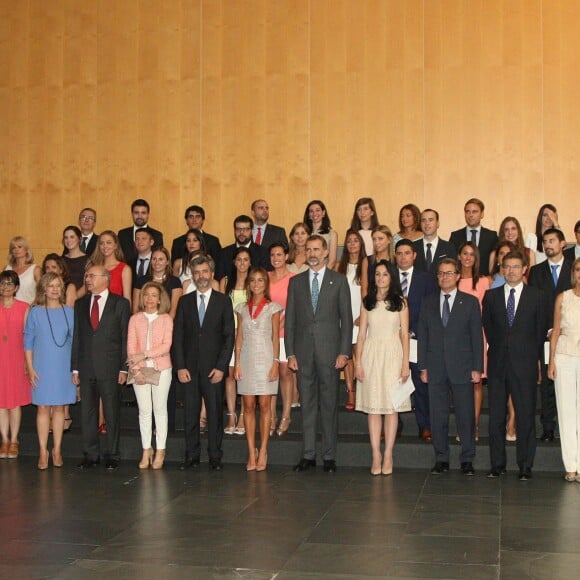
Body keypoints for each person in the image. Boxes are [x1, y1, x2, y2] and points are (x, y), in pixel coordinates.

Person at [285, 235, 353, 473]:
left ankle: (330, 455)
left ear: (326, 252)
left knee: (329, 404)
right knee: (308, 405)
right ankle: (309, 454)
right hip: (302, 354)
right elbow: (290, 321)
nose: (312, 253)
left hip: (330, 354)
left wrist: (345, 352)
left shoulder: (339, 281)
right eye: (309, 249)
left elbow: (347, 320)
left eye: (317, 249)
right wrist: (290, 353)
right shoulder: (296, 282)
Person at [483, 251, 548, 481]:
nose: (510, 270)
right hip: (498, 364)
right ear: (501, 268)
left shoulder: (537, 297)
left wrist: (533, 358)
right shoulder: (490, 297)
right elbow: (489, 330)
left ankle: (524, 465)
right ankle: (497, 464)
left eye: (515, 266)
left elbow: (540, 332)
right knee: (496, 416)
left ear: (524, 269)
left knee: (526, 415)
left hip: (525, 365)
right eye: (506, 266)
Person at [418, 258, 483, 476]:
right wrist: (423, 366)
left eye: (448, 273)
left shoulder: (470, 302)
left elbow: (476, 337)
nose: (444, 277)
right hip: (435, 367)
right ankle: (441, 458)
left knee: (465, 415)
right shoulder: (427, 302)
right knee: (438, 415)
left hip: (463, 367)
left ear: (457, 276)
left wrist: (477, 367)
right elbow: (423, 336)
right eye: (440, 273)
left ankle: (467, 459)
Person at [173, 254, 235, 470]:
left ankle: (215, 457)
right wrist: (180, 366)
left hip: (213, 370)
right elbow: (178, 336)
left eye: (204, 272)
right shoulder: (184, 301)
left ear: (212, 273)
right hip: (188, 369)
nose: (201, 276)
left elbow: (229, 337)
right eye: (196, 272)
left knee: (215, 415)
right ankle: (191, 456)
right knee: (190, 414)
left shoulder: (223, 301)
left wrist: (221, 367)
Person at [72, 265, 130, 470]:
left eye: (91, 276)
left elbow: (125, 338)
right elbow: (77, 337)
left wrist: (124, 368)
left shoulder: (121, 304)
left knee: (112, 412)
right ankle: (90, 454)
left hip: (111, 367)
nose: (87, 279)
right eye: (86, 275)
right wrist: (75, 369)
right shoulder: (80, 304)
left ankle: (112, 454)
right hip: (86, 367)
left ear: (106, 279)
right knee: (87, 413)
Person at [355, 260, 410, 475]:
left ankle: (388, 454)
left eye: (385, 274)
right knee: (373, 407)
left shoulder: (401, 302)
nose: (380, 278)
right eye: (377, 274)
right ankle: (375, 454)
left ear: (392, 277)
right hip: (371, 354)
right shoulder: (367, 302)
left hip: (393, 355)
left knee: (391, 408)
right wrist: (358, 362)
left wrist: (405, 364)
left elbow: (404, 334)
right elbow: (361, 336)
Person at [24, 273, 75, 469]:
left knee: (60, 408)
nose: (55, 289)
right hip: (41, 366)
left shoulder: (69, 312)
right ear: (43, 289)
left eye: (58, 285)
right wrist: (30, 367)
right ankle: (42, 451)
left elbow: (74, 341)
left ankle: (57, 449)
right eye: (51, 286)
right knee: (43, 407)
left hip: (63, 366)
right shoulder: (35, 312)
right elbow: (28, 341)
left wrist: (74, 370)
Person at [528, 227, 573, 442]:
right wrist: (549, 329)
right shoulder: (536, 272)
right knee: (547, 382)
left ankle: (572, 426)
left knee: (571, 383)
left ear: (563, 243)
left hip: (572, 337)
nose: (548, 245)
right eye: (545, 241)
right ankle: (548, 427)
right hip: (545, 337)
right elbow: (534, 305)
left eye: (552, 240)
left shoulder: (575, 269)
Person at [234, 267, 281, 471]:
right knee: (248, 405)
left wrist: (275, 363)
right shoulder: (241, 308)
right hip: (246, 359)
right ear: (248, 284)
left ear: (266, 283)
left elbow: (275, 337)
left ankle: (263, 450)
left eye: (260, 280)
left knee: (264, 404)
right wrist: (236, 363)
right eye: (252, 280)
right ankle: (251, 451)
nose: (256, 284)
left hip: (266, 358)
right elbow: (239, 338)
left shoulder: (273, 308)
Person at [127, 282, 173, 470]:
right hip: (139, 370)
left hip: (161, 368)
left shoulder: (166, 319)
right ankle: (146, 449)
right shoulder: (135, 319)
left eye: (154, 295)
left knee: (160, 410)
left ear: (160, 299)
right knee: (144, 412)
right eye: (146, 295)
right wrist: (136, 369)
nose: (150, 299)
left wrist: (144, 354)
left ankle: (160, 449)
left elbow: (166, 346)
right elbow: (130, 346)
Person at [394, 239, 437, 441]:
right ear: (395, 256)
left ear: (414, 256)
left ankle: (425, 425)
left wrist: (411, 331)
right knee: (396, 382)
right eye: (400, 253)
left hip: (417, 339)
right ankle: (396, 424)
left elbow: (429, 310)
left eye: (407, 253)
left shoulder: (426, 279)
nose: (403, 257)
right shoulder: (388, 277)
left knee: (421, 384)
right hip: (392, 339)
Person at [549, 258, 580, 481]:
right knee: (566, 411)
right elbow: (556, 331)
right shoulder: (563, 297)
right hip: (564, 356)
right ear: (573, 273)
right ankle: (571, 465)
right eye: (578, 269)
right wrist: (551, 362)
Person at [457, 241, 490, 440]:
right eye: (465, 253)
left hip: (478, 335)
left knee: (476, 382)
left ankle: (474, 426)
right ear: (459, 256)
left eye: (472, 254)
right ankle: (463, 427)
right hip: (457, 339)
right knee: (461, 385)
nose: (468, 257)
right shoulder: (453, 279)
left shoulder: (484, 282)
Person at [220, 247, 252, 435]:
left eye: (245, 259)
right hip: (228, 335)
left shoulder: (254, 283)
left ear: (250, 262)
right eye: (238, 260)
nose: (242, 263)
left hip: (247, 335)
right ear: (234, 262)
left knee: (244, 376)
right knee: (230, 375)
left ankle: (242, 415)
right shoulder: (225, 282)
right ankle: (231, 415)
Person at [0, 271, 30, 460]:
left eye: (10, 284)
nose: (6, 287)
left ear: (17, 287)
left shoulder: (25, 307)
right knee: (1, 402)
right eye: (3, 283)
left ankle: (14, 440)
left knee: (15, 402)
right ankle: (4, 440)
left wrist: (28, 362)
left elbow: (28, 337)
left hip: (17, 358)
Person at [335, 230, 365, 410]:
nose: (352, 244)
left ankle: (364, 392)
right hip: (343, 317)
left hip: (361, 316)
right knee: (347, 356)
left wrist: (364, 314)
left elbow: (369, 292)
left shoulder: (366, 264)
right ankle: (351, 393)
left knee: (361, 355)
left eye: (356, 241)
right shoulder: (340, 266)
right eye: (349, 241)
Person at [268, 242, 295, 434]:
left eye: (279, 255)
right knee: (270, 374)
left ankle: (286, 415)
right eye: (272, 255)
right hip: (266, 333)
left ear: (286, 256)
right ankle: (271, 415)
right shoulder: (264, 277)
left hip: (286, 332)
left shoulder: (294, 279)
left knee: (285, 372)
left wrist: (283, 324)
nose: (276, 258)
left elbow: (297, 306)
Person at [449, 198, 498, 276]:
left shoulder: (492, 236)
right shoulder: (455, 236)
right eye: (467, 212)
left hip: (485, 282)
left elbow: (495, 263)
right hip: (461, 282)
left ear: (482, 214)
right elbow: (452, 262)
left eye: (474, 212)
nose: (470, 215)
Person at [216, 215, 269, 281]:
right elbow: (219, 278)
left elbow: (265, 279)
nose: (241, 233)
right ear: (234, 231)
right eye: (238, 229)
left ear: (252, 231)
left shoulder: (263, 253)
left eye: (246, 229)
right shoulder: (224, 253)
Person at [133, 247, 182, 319]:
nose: (157, 262)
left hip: (166, 324)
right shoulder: (141, 281)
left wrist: (166, 325)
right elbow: (135, 308)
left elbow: (174, 310)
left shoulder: (175, 281)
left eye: (161, 259)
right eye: (154, 259)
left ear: (167, 262)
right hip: (143, 323)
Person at [89, 231, 132, 305]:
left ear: (115, 245)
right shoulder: (93, 267)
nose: (105, 246)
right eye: (102, 243)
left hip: (115, 312)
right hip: (94, 310)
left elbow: (127, 299)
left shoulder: (125, 269)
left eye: (109, 242)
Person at [117, 198, 164, 264]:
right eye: (136, 213)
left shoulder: (157, 235)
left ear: (148, 214)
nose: (140, 216)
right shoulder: (122, 234)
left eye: (143, 213)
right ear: (132, 214)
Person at [413, 209, 456, 276]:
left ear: (437, 223)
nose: (427, 223)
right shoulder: (413, 247)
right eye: (423, 220)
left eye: (430, 220)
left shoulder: (449, 247)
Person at [4, 236, 41, 304]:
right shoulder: (7, 269)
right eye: (13, 248)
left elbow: (41, 292)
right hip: (9, 309)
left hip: (30, 309)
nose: (16, 250)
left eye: (19, 247)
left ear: (26, 250)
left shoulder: (35, 269)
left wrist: (31, 308)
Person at [303, 200, 339, 269]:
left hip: (324, 271)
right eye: (311, 211)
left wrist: (322, 276)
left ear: (323, 213)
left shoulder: (332, 234)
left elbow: (332, 261)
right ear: (308, 215)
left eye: (317, 210)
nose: (314, 213)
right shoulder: (304, 233)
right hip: (306, 270)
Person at [361, 225, 394, 298]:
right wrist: (366, 306)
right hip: (372, 304)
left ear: (389, 240)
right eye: (374, 239)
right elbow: (364, 288)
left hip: (393, 304)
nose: (376, 242)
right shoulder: (367, 261)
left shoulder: (396, 261)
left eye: (380, 239)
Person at [62, 225, 90, 290]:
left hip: (82, 298)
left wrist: (73, 298)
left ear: (79, 239)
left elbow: (87, 285)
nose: (68, 240)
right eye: (66, 237)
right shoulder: (61, 260)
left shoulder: (88, 260)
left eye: (72, 237)